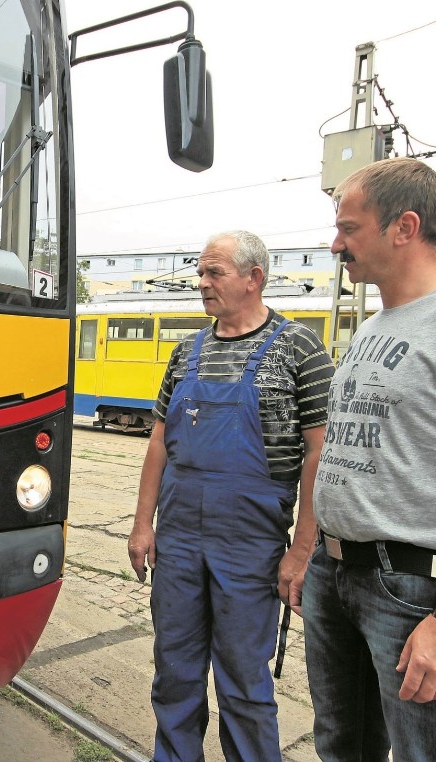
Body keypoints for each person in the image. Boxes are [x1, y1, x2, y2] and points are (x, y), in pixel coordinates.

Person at [127, 230, 334, 762]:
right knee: (174, 671)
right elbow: (159, 442)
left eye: (213, 273)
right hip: (177, 543)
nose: (202, 284)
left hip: (249, 546)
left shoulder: (299, 349)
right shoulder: (186, 352)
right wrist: (142, 524)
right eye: (201, 273)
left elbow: (320, 454)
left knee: (243, 682)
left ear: (253, 278)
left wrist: (302, 549)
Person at [299, 157, 436, 762]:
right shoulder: (375, 324)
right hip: (336, 575)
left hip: (409, 590)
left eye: (348, 228)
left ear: (404, 228)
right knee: (342, 747)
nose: (336, 244)